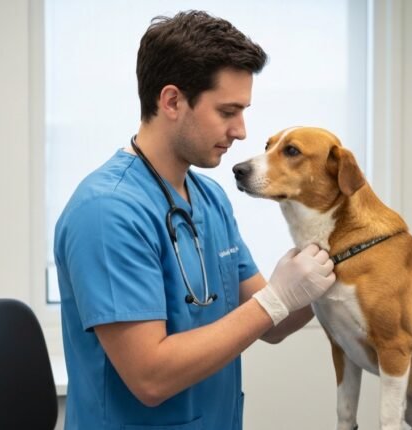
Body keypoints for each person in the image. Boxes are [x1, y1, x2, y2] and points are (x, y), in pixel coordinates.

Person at [54, 10, 336, 429]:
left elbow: (273, 324)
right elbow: (150, 376)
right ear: (172, 101)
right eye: (227, 111)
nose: (241, 131)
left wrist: (333, 266)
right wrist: (275, 299)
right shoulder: (107, 212)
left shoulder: (209, 198)